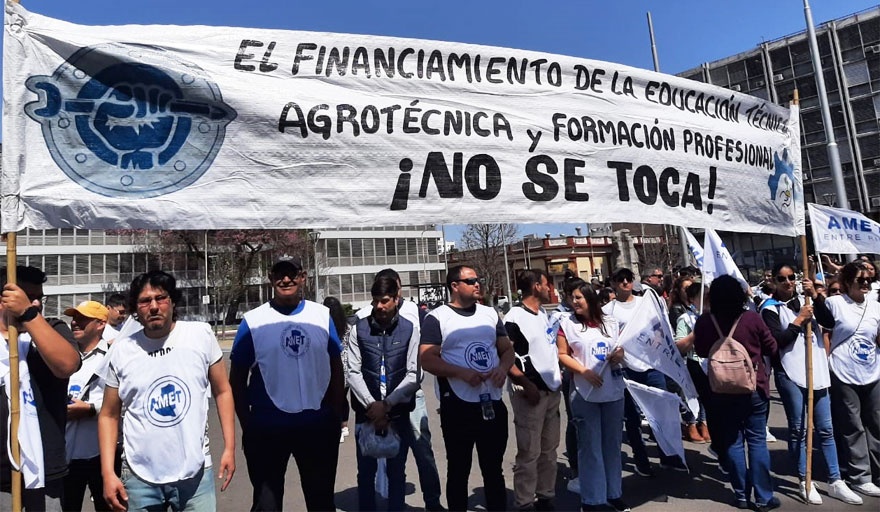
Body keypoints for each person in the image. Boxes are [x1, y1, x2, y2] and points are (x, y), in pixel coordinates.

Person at [98, 270, 235, 512]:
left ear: (172, 301)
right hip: (139, 476)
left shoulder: (200, 335)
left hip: (195, 472)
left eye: (160, 298)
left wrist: (229, 448)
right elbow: (108, 415)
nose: (153, 306)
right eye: (144, 301)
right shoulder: (122, 350)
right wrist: (108, 473)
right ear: (135, 308)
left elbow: (223, 391)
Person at [229, 259, 345, 511]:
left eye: (292, 274)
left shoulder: (321, 316)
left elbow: (336, 366)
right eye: (279, 275)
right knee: (266, 504)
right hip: (268, 428)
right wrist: (248, 424)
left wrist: (335, 413)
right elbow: (236, 378)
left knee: (321, 501)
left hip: (317, 425)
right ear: (271, 279)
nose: (286, 280)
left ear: (302, 277)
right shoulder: (254, 321)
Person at [759, 263, 862, 505]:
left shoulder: (807, 301)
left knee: (826, 428)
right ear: (774, 281)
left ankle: (836, 480)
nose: (787, 282)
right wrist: (798, 321)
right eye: (781, 278)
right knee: (798, 429)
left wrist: (815, 296)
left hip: (816, 370)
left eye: (791, 277)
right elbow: (777, 341)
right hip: (789, 372)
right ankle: (804, 479)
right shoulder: (769, 309)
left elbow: (829, 322)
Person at [420, 265, 515, 512]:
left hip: (492, 402)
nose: (477, 284)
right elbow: (427, 359)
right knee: (458, 469)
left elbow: (507, 350)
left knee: (493, 469)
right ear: (454, 286)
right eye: (471, 281)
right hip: (458, 404)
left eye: (477, 279)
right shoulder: (437, 318)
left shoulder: (489, 314)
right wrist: (460, 372)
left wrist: (502, 368)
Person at [357, 268, 444, 511]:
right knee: (370, 456)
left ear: (398, 290)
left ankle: (432, 501)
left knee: (421, 448)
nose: (381, 304)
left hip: (408, 394)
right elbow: (355, 367)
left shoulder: (415, 313)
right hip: (372, 400)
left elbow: (426, 349)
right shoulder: (364, 317)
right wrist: (375, 404)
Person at [693, 275, 779, 511]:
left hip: (721, 389)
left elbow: (701, 350)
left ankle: (741, 494)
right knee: (757, 440)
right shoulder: (751, 318)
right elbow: (771, 347)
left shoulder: (705, 321)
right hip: (753, 387)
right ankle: (763, 497)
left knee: (733, 441)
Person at [0, 266, 81, 511]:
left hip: (43, 471)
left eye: (39, 298)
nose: (36, 303)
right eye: (28, 296)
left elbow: (66, 364)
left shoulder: (52, 328)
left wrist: (28, 313)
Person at [603, 267, 687, 476]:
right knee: (632, 418)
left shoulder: (645, 303)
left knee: (662, 412)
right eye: (620, 279)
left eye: (628, 278)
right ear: (613, 283)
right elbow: (607, 338)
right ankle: (641, 460)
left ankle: (668, 456)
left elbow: (659, 327)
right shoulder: (608, 310)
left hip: (652, 366)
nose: (625, 282)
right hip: (626, 369)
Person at [348, 276, 420, 511]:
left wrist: (387, 404)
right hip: (366, 414)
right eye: (376, 300)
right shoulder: (359, 329)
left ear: (397, 299)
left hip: (398, 414)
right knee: (365, 472)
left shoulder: (409, 329)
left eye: (385, 300)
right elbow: (353, 372)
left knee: (397, 472)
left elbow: (413, 374)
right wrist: (372, 405)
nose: (379, 306)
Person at [558, 281, 629, 512]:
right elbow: (562, 354)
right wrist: (583, 371)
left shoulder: (611, 322)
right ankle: (592, 499)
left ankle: (613, 493)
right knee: (590, 447)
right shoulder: (567, 323)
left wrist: (619, 354)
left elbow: (621, 347)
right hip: (584, 393)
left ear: (590, 298)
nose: (574, 302)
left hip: (613, 392)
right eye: (572, 298)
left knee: (612, 445)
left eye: (579, 297)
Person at [813, 261, 880, 498]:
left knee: (876, 423)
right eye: (860, 280)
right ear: (848, 282)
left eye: (868, 280)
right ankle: (860, 477)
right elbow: (824, 324)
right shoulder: (835, 303)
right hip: (843, 372)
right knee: (853, 426)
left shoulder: (876, 306)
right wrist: (815, 295)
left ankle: (877, 472)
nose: (865, 283)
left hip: (872, 371)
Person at [504, 269, 561, 512]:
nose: (550, 289)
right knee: (529, 452)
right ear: (536, 286)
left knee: (549, 450)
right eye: (547, 284)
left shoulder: (543, 315)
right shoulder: (514, 317)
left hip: (552, 392)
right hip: (530, 395)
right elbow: (505, 356)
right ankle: (525, 502)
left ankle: (546, 495)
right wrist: (526, 384)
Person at [62, 301, 112, 512]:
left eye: (82, 319)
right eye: (74, 318)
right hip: (66, 456)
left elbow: (125, 402)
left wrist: (91, 409)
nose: (75, 323)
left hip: (103, 456)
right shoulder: (62, 355)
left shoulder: (113, 356)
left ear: (100, 324)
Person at [324, 296, 352, 444]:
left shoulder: (324, 326)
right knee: (342, 397)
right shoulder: (347, 327)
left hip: (330, 365)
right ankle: (344, 425)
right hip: (346, 366)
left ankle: (336, 426)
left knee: (331, 398)